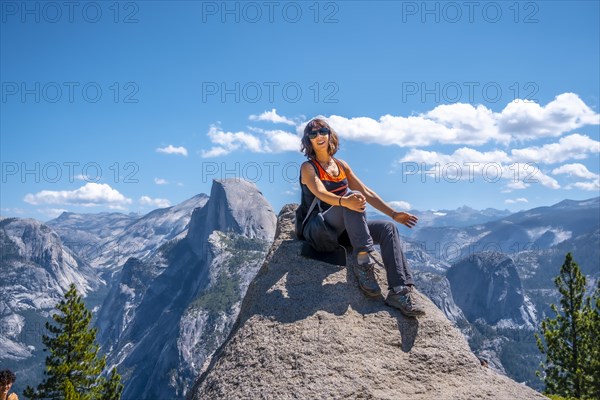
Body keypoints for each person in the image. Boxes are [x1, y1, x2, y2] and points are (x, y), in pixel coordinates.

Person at [299, 117, 425, 317]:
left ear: (329, 134)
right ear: (309, 142)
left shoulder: (341, 165)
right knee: (351, 197)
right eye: (313, 134)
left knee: (387, 229)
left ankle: (399, 291)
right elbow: (321, 193)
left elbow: (365, 191)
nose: (319, 136)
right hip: (320, 231)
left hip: (345, 230)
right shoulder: (308, 168)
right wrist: (345, 201)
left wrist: (393, 214)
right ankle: (363, 262)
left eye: (322, 131)